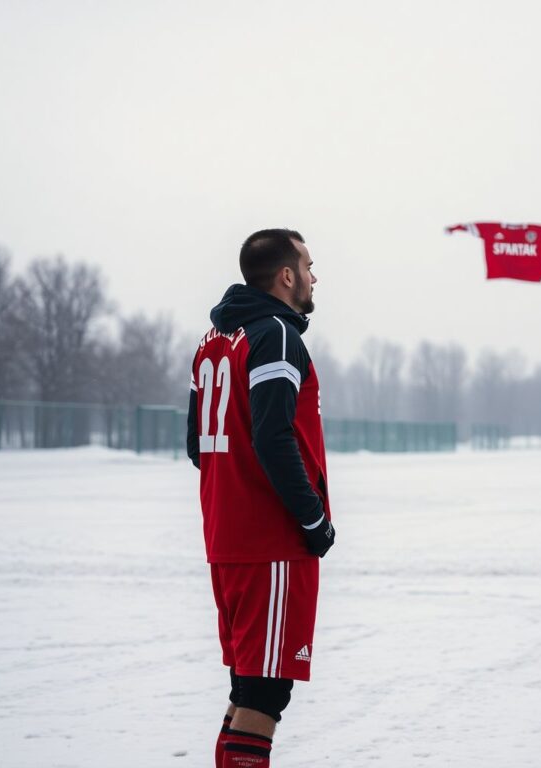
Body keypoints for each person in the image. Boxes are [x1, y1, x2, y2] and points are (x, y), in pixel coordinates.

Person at [187, 228, 335, 768]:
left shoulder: (212, 340)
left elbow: (195, 447)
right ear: (287, 275)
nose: (316, 277)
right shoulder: (274, 334)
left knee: (250, 689)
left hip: (226, 539)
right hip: (270, 543)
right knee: (266, 693)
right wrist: (313, 519)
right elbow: (273, 438)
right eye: (309, 265)